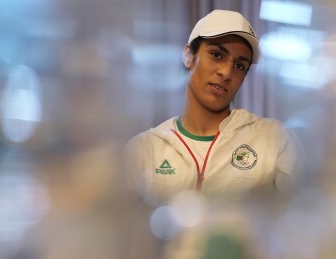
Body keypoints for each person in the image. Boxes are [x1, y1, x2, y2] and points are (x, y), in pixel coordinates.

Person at [125, 9, 301, 204]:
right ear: (189, 56)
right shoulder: (144, 150)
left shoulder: (273, 139)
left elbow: (304, 218)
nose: (226, 73)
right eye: (217, 55)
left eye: (240, 66)